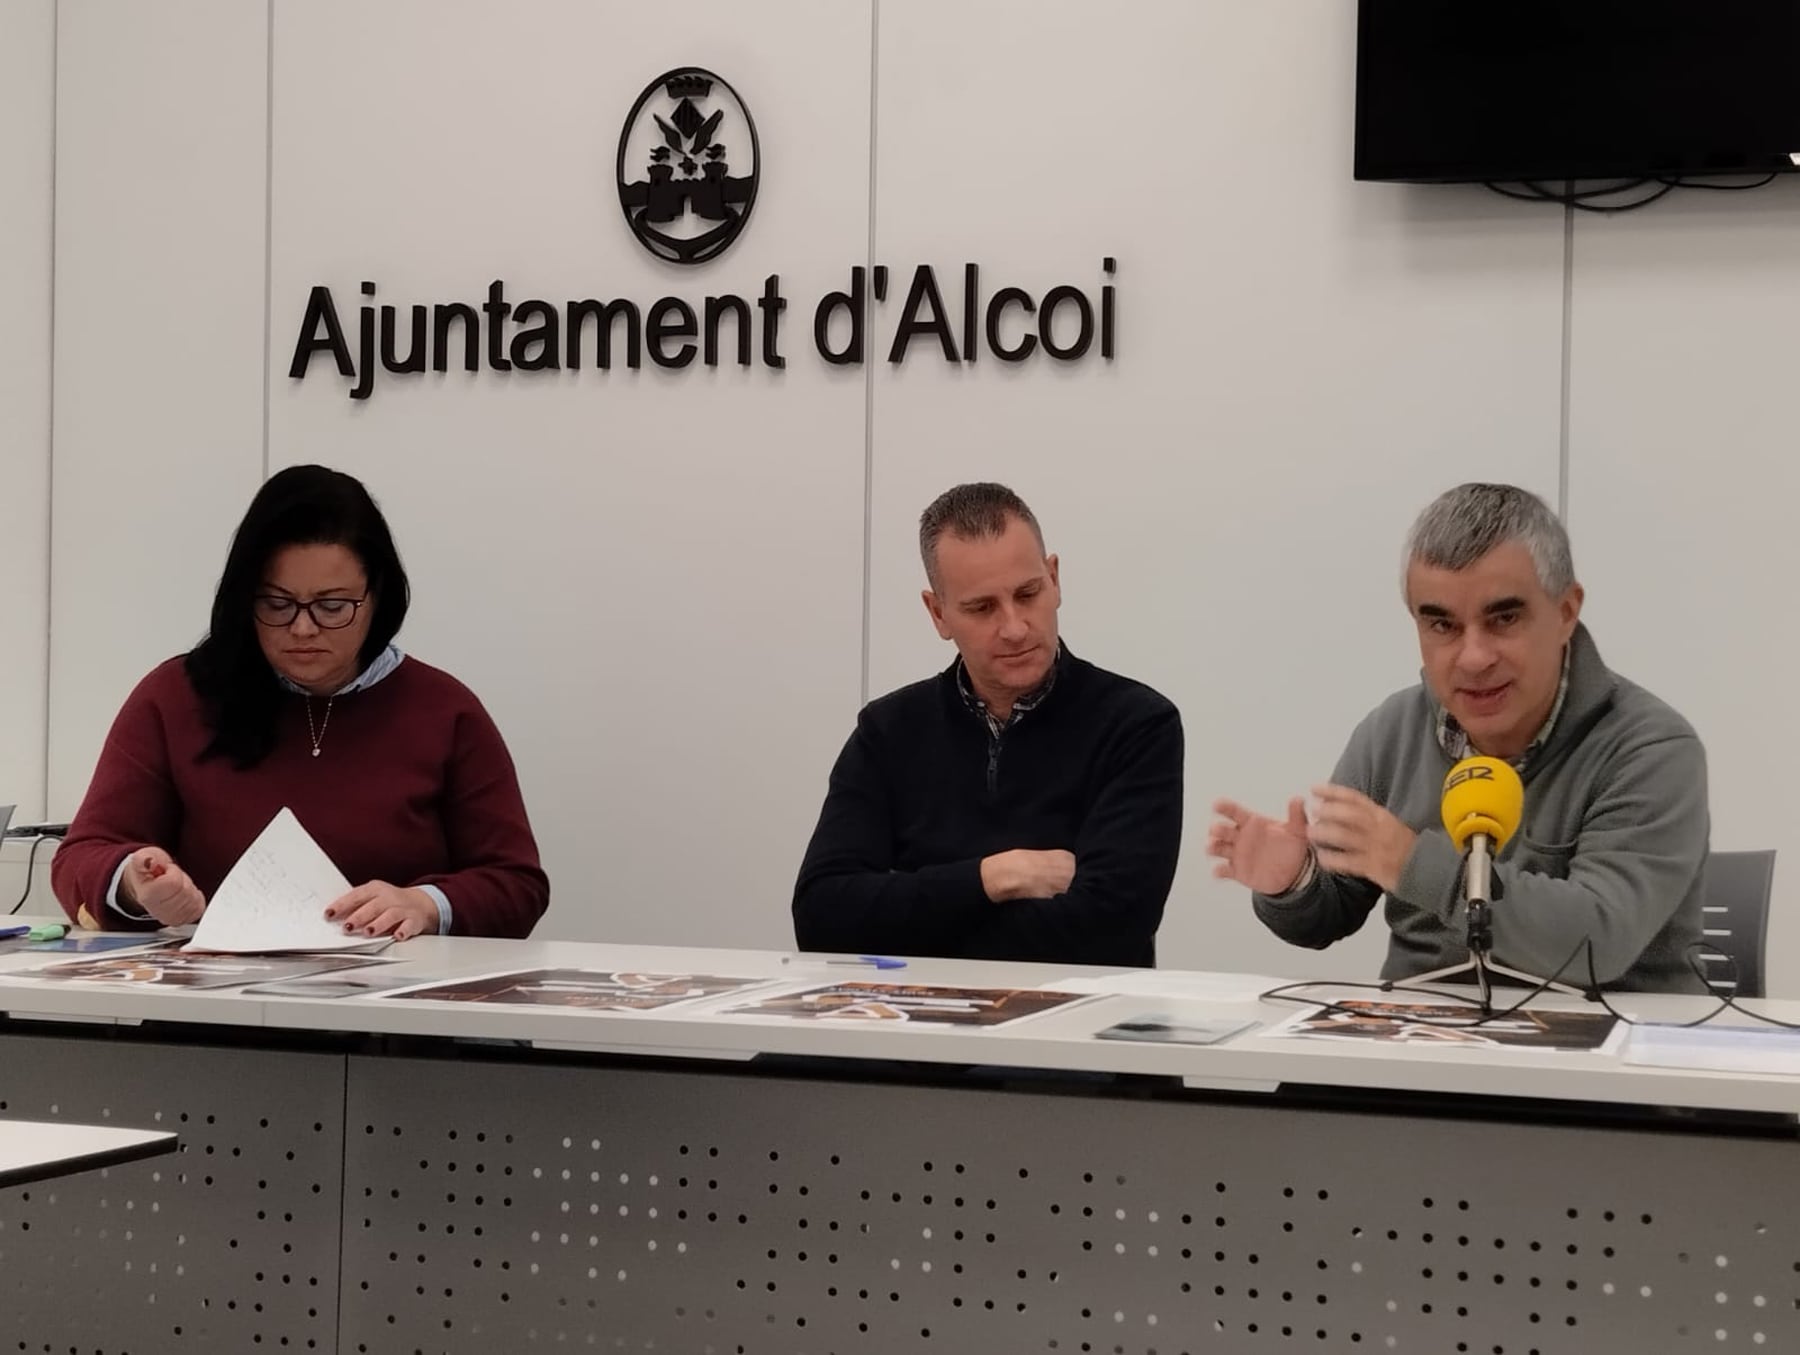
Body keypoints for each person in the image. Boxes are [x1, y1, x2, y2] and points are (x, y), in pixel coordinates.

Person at [1207, 482, 1708, 992]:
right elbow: (1328, 916)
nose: (1474, 658)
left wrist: (1412, 864)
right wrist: (1294, 880)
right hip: (1424, 1030)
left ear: (1565, 612)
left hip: (1605, 1032)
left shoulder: (1650, 748)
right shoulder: (1392, 732)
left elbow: (1597, 943)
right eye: (1442, 625)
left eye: (1504, 618)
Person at [52, 465, 549, 940]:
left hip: (400, 991)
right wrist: (132, 884)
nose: (303, 628)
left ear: (378, 598)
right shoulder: (175, 697)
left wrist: (426, 905)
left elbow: (517, 884)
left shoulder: (445, 710)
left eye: (332, 606)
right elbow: (80, 856)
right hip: (217, 993)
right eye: (277, 604)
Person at [793, 482, 1183, 966]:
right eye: (982, 608)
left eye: (1028, 593)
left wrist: (909, 913)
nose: (1015, 628)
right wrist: (995, 877)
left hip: (1077, 1011)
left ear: (1054, 579)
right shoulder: (887, 731)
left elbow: (1110, 929)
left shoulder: (1137, 724)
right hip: (911, 1010)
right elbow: (821, 918)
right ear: (938, 613)